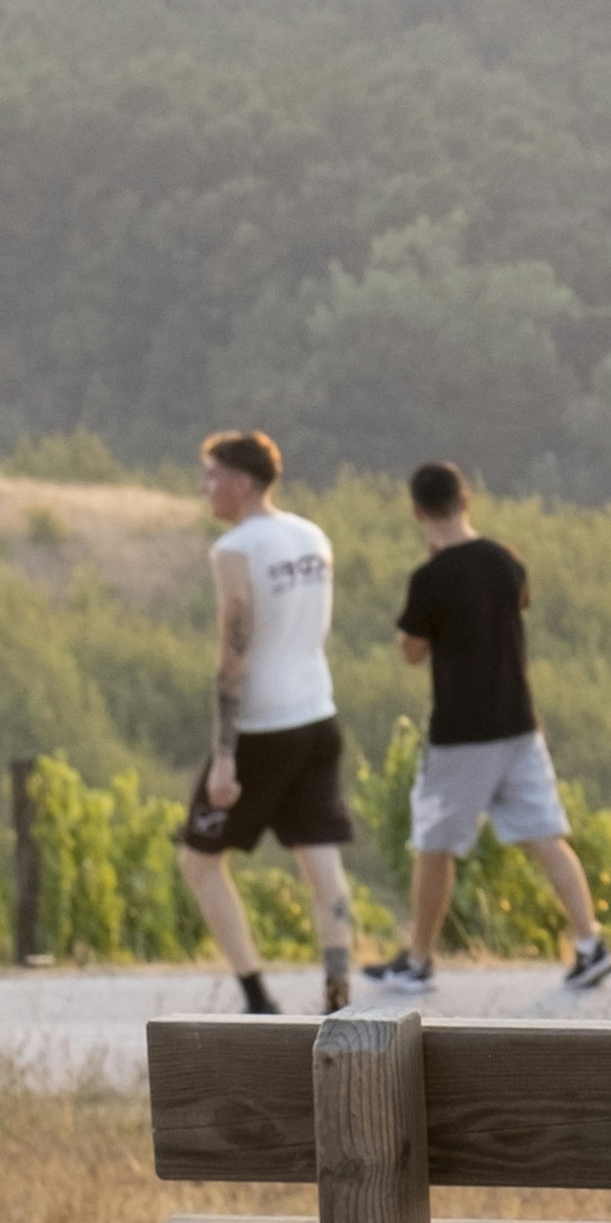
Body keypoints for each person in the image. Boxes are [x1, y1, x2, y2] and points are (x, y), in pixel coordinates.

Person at [363, 464, 611, 998]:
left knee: (434, 846)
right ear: (466, 499)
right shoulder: (506, 561)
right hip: (519, 723)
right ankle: (590, 943)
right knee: (546, 837)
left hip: (461, 734)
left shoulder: (429, 579)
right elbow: (514, 607)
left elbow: (412, 652)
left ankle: (419, 960)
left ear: (417, 512)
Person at [178, 428, 359, 1018]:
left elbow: (235, 650)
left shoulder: (236, 549)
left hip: (264, 724)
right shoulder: (312, 536)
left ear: (241, 481)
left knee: (199, 861)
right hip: (317, 711)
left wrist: (225, 754)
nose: (205, 488)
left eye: (211, 475)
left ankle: (257, 995)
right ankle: (339, 996)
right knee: (321, 861)